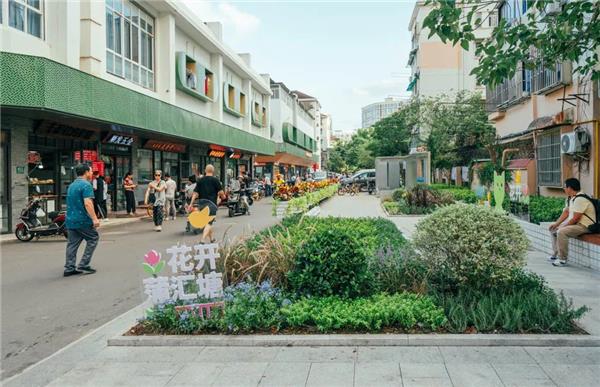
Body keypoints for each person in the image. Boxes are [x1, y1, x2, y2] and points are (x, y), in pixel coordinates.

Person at [548, 178, 597, 267]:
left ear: (570, 188)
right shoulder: (571, 198)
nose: (564, 189)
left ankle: (562, 259)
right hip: (576, 224)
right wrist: (556, 224)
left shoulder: (580, 199)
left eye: (565, 187)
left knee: (562, 232)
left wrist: (563, 227)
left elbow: (576, 218)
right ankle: (555, 254)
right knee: (553, 229)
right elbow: (566, 212)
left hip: (585, 226)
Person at [64, 164, 100, 277]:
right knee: (93, 238)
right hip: (83, 220)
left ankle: (69, 268)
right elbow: (88, 203)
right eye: (90, 171)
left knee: (72, 244)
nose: (91, 173)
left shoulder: (72, 185)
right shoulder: (86, 185)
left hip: (70, 219)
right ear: (85, 172)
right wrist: (94, 218)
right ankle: (83, 264)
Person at [188, 164, 226, 244]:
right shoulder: (215, 180)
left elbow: (195, 193)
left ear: (205, 171)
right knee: (209, 222)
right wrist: (223, 197)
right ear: (213, 171)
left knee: (206, 222)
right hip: (211, 204)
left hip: (201, 203)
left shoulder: (200, 180)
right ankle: (202, 240)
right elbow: (221, 193)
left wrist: (191, 204)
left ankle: (211, 238)